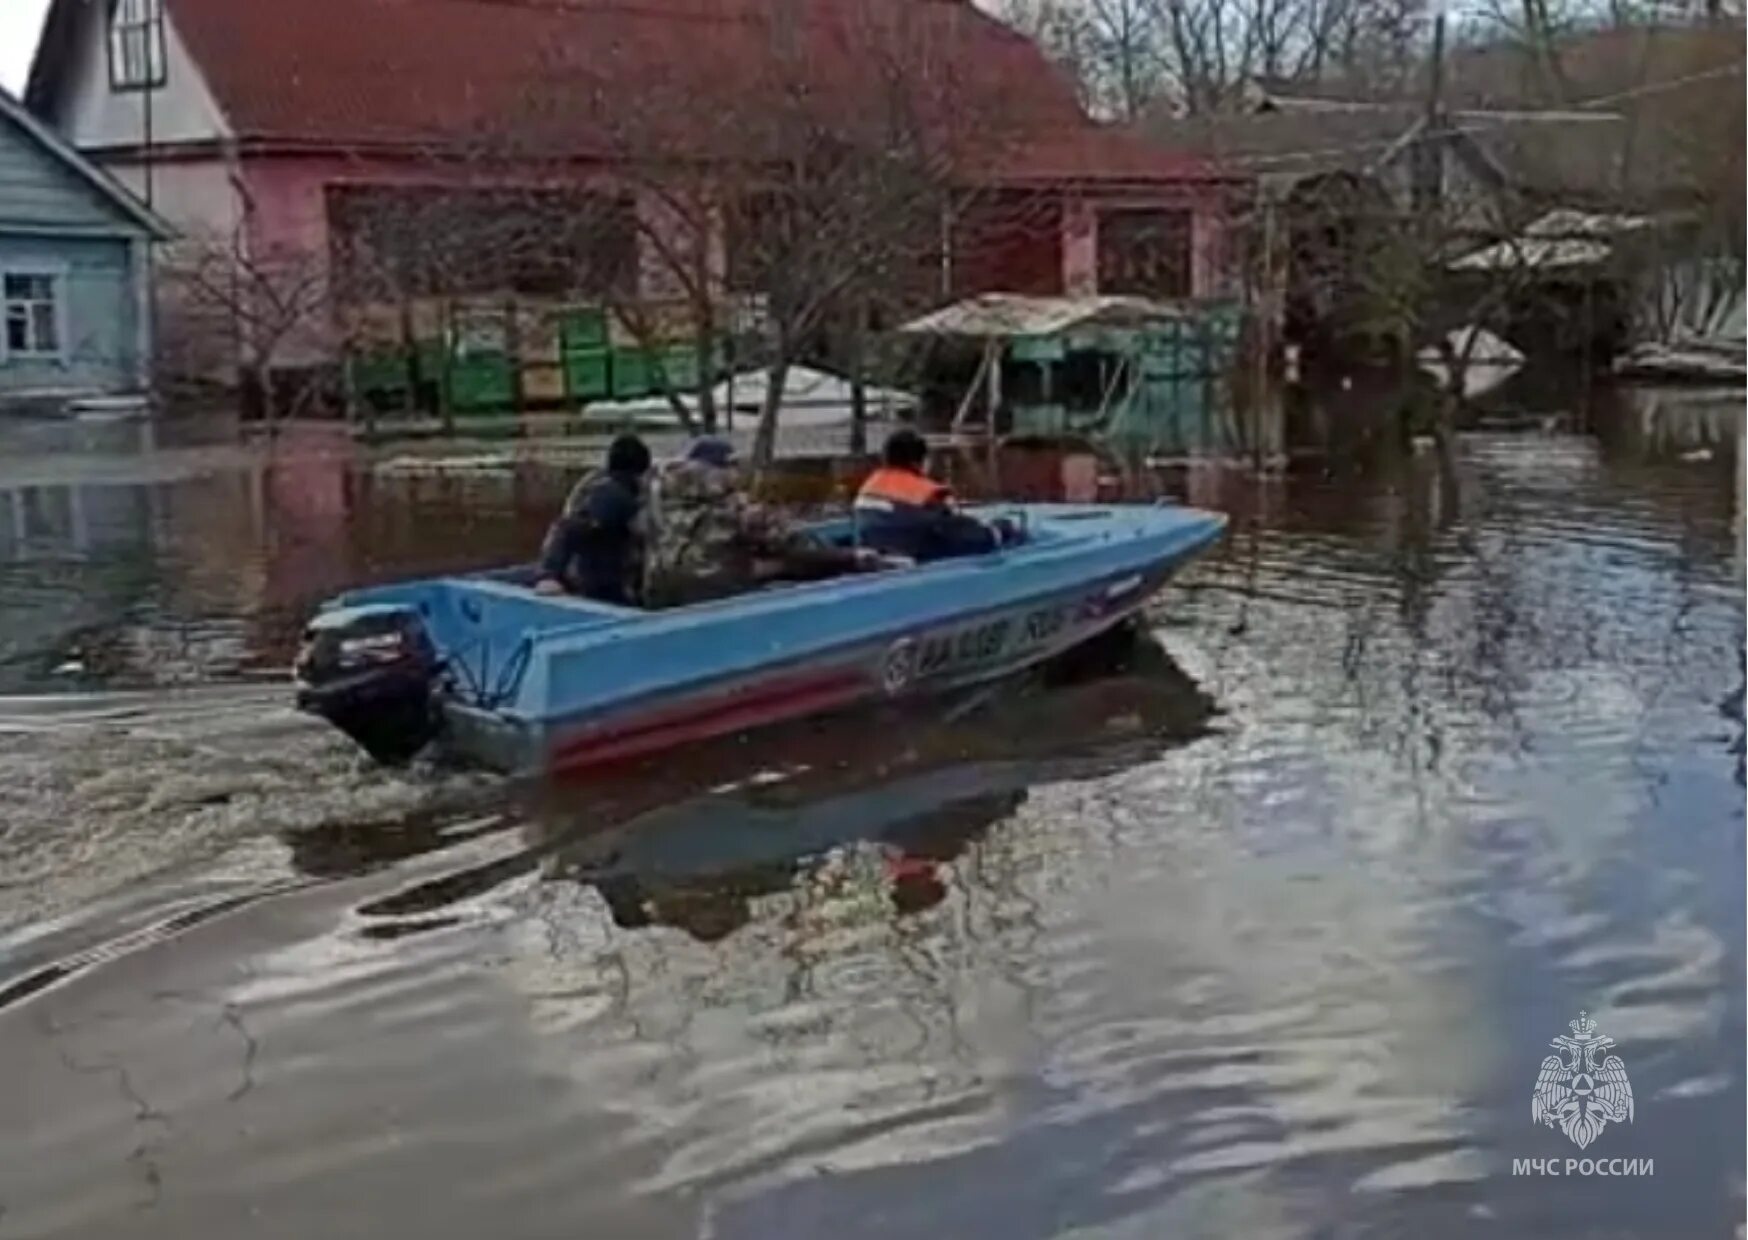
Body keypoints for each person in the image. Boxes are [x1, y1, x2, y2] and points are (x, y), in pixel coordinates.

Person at [643, 437, 891, 607]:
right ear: (721, 470)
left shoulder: (657, 503)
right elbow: (794, 544)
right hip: (716, 600)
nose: (738, 473)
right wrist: (850, 557)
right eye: (734, 466)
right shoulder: (735, 509)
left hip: (661, 598)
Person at [854, 428, 1013, 562]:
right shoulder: (929, 494)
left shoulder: (868, 489)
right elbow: (960, 533)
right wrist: (997, 532)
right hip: (916, 561)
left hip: (876, 556)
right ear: (919, 462)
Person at [535, 433, 652, 603]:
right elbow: (569, 527)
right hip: (599, 583)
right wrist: (549, 575)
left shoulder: (600, 485)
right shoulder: (613, 496)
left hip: (601, 575)